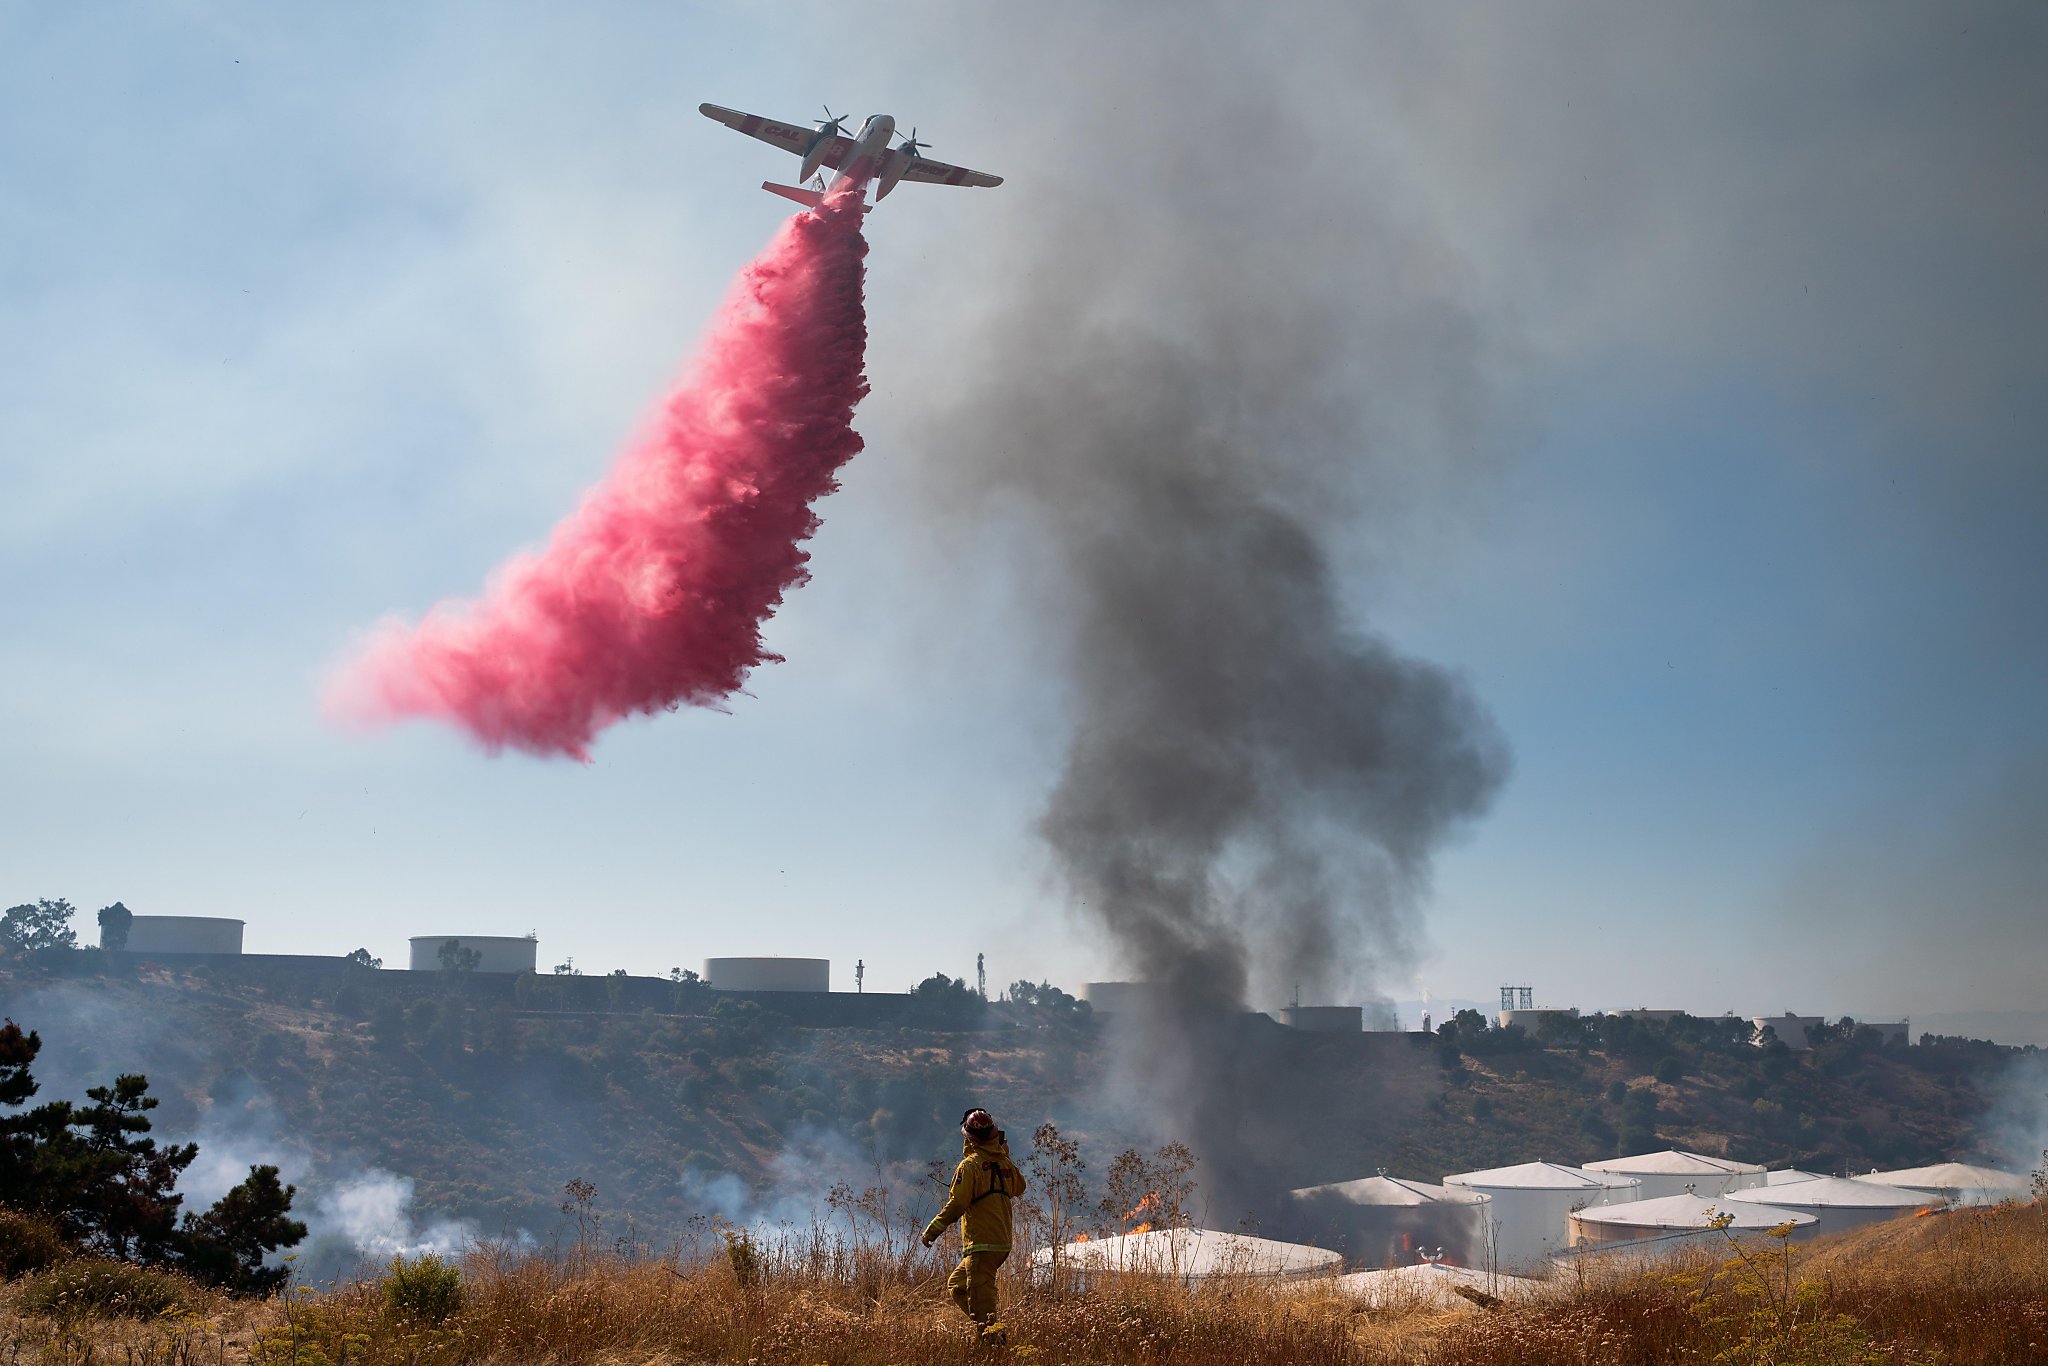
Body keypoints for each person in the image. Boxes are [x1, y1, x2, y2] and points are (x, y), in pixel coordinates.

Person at [921, 1107, 1026, 1334]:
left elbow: (958, 1203)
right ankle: (990, 1329)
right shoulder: (1004, 1163)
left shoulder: (969, 1166)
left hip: (981, 1244)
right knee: (957, 1285)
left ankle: (993, 1340)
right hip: (1001, 1243)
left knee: (982, 1306)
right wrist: (1004, 1156)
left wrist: (932, 1231)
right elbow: (1019, 1187)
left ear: (969, 1138)